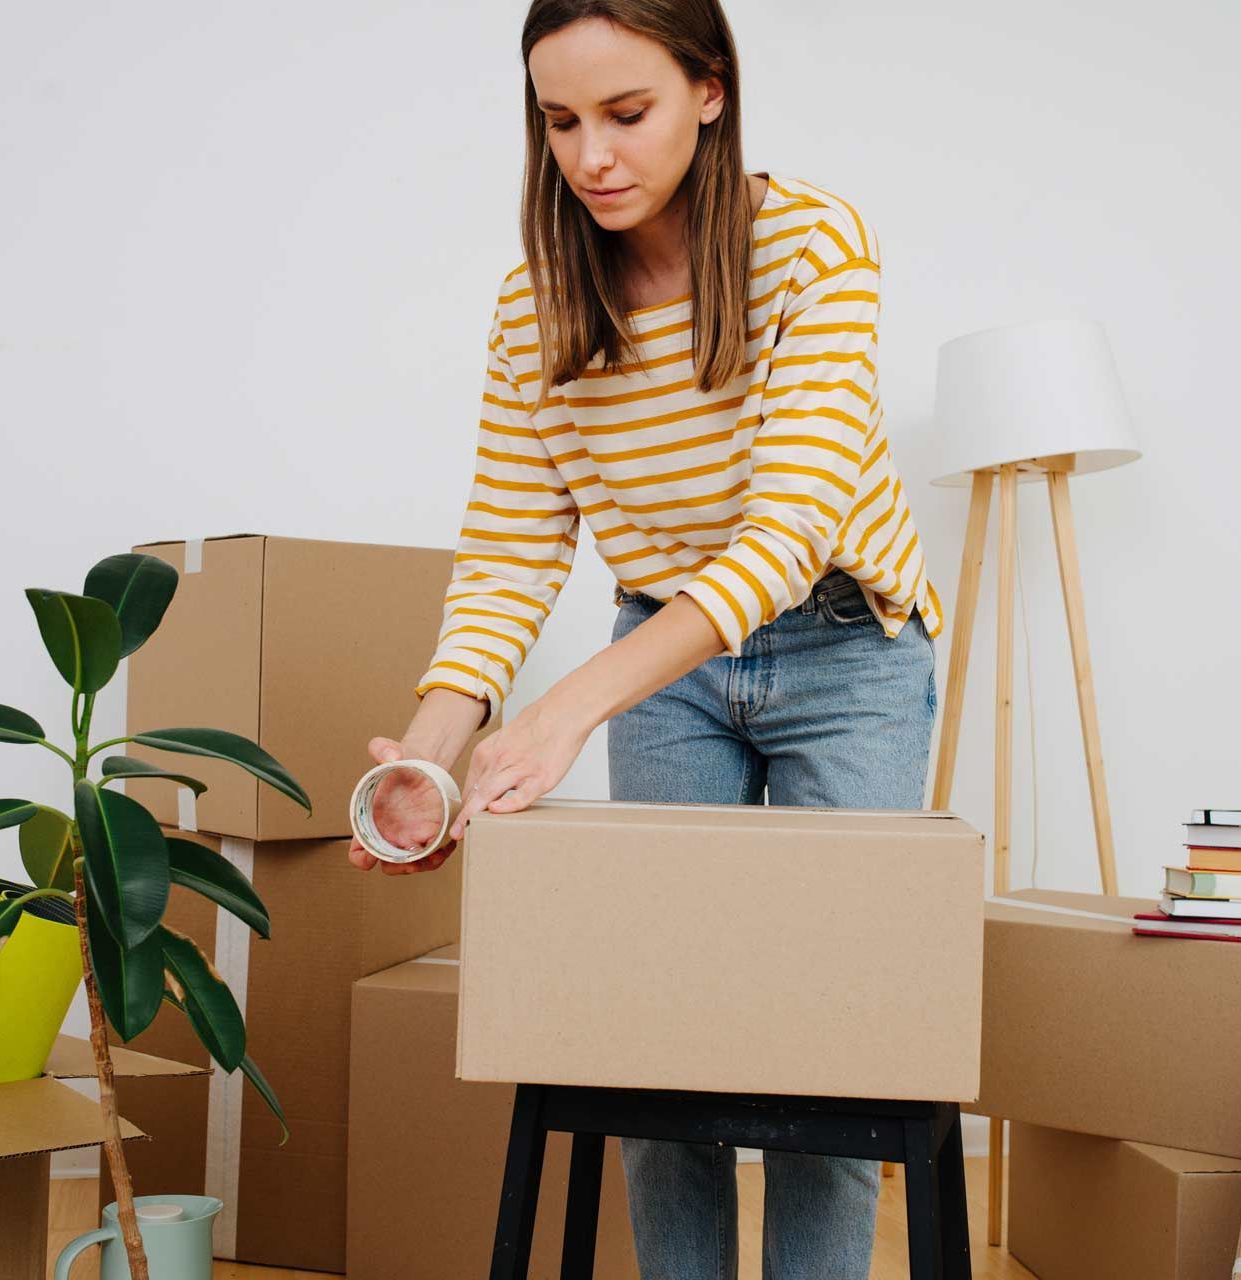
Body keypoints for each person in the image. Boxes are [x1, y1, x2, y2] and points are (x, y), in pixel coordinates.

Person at [348, 1, 946, 1275]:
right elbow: (513, 550)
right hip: (664, 674)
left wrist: (567, 710)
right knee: (655, 1038)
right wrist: (434, 755)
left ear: (711, 92)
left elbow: (787, 535)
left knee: (822, 1045)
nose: (592, 156)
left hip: (850, 655)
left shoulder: (811, 245)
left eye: (628, 113)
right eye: (560, 121)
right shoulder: (537, 307)